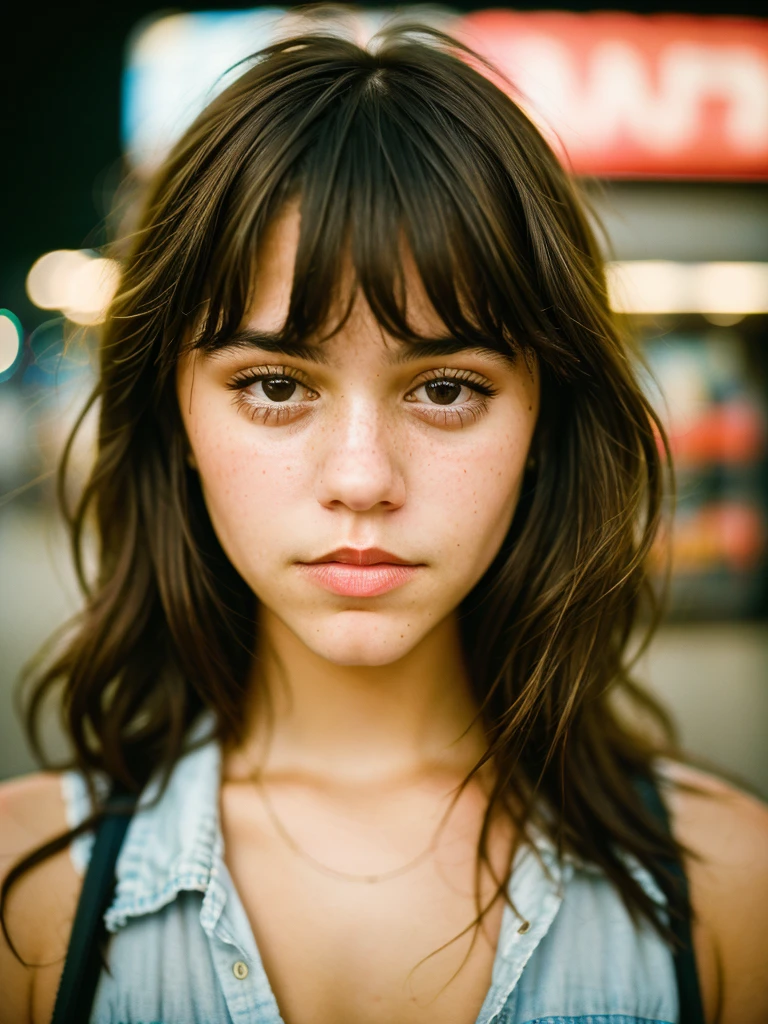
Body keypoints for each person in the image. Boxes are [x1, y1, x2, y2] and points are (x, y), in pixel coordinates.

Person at [1, 18, 767, 1024]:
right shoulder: (30, 894)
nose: (362, 479)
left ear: (545, 419)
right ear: (175, 414)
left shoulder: (728, 893)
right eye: (276, 383)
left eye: (446, 388)